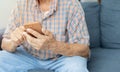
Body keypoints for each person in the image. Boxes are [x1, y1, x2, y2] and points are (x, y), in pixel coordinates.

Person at [0, 0, 90, 72]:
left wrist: (53, 45)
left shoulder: (72, 4)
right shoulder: (20, 4)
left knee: (77, 68)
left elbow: (84, 50)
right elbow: (4, 43)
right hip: (27, 55)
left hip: (62, 58)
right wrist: (13, 42)